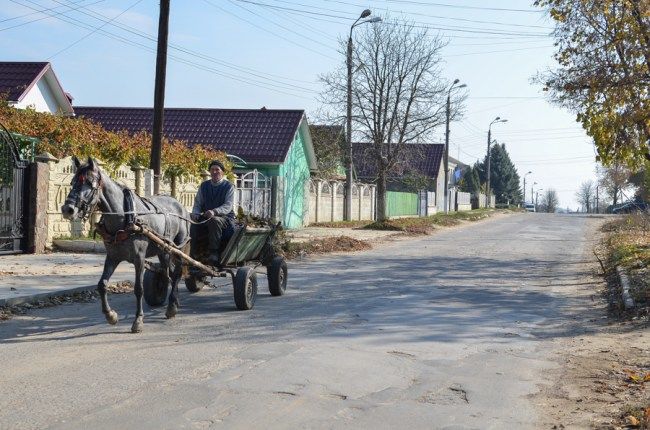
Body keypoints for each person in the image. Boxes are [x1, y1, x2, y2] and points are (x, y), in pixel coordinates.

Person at [190, 159, 236, 266]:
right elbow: (198, 203)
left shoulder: (229, 186)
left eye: (217, 169)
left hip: (225, 218)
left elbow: (228, 206)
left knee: (214, 221)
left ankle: (214, 252)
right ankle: (192, 251)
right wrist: (195, 213)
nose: (215, 172)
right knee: (189, 220)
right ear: (210, 172)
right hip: (206, 216)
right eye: (212, 170)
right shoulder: (204, 186)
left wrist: (215, 211)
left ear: (222, 172)